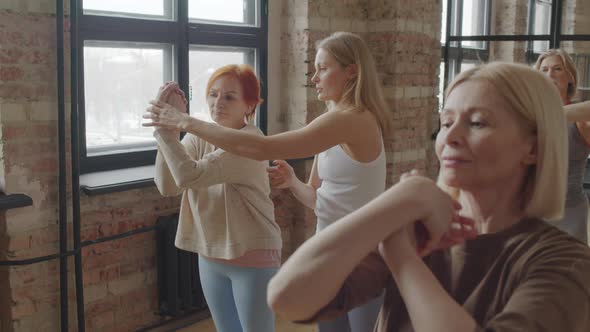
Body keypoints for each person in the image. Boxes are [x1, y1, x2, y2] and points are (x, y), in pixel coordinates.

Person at [266, 62, 590, 332]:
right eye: (446, 121)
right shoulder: (421, 228)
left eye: (477, 123)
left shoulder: (566, 263)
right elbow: (287, 296)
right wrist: (401, 200)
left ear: (533, 147)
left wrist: (403, 258)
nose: (450, 136)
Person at [145, 31, 390, 332]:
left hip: (361, 252)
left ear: (351, 70)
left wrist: (183, 121)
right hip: (328, 248)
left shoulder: (352, 119)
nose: (314, 77)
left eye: (323, 68)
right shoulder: (333, 120)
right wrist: (291, 182)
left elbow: (262, 148)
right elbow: (318, 199)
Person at [152, 65, 282, 332]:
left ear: (250, 105)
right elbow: (168, 185)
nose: (217, 103)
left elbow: (189, 176)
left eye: (229, 97)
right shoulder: (198, 139)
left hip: (253, 255)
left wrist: (166, 131)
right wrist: (167, 133)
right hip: (211, 254)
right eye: (213, 94)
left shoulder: (249, 141)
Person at [535, 48, 590, 243]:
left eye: (557, 69)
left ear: (570, 78)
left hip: (568, 214)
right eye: (544, 70)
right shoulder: (529, 114)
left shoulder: (580, 120)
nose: (550, 74)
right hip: (531, 211)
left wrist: (555, 113)